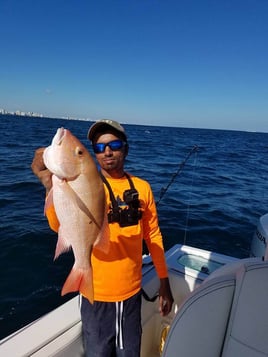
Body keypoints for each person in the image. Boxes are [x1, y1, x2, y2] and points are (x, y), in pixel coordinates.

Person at [31, 119, 174, 357]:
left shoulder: (142, 187)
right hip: (94, 292)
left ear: (125, 148)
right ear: (94, 154)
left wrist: (164, 281)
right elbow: (58, 225)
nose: (107, 151)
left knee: (130, 353)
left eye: (114, 144)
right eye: (99, 147)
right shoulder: (84, 183)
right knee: (98, 353)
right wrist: (49, 186)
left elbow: (153, 235)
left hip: (130, 293)